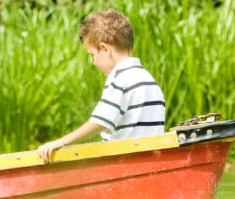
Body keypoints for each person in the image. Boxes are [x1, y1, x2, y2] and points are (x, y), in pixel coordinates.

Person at [36, 9, 166, 163]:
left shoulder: (120, 78)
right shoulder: (148, 79)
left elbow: (100, 122)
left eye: (92, 54)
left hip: (124, 165)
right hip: (149, 162)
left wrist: (61, 142)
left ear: (104, 49)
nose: (93, 62)